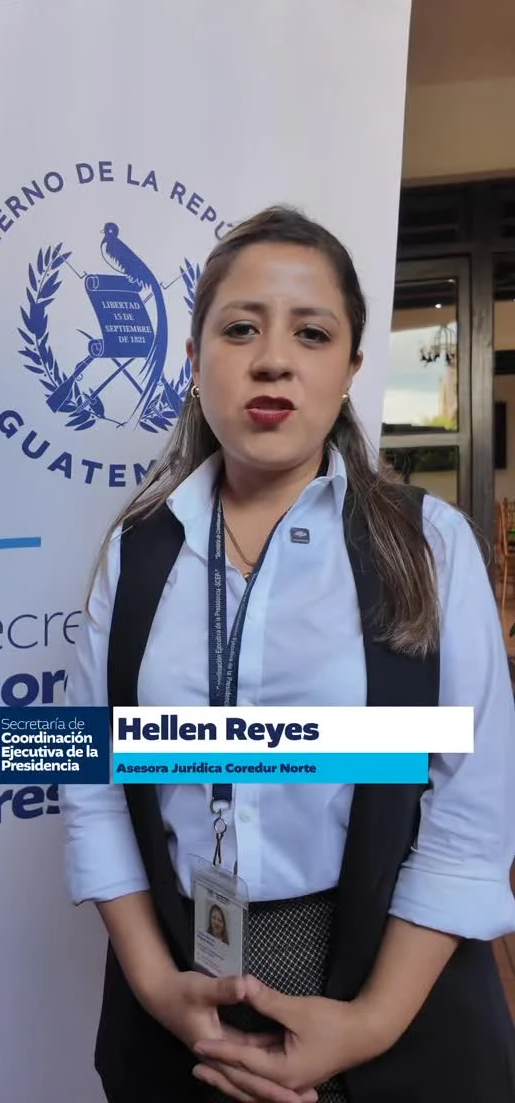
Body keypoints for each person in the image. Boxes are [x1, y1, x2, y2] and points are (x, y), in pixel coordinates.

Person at [59, 205, 515, 1103]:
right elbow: (93, 781)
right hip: (181, 1000)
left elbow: (472, 811)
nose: (273, 360)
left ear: (350, 371)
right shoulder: (137, 553)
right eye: (240, 329)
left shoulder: (431, 546)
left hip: (397, 997)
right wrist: (158, 988)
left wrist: (367, 1024)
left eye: (312, 333)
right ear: (193, 362)